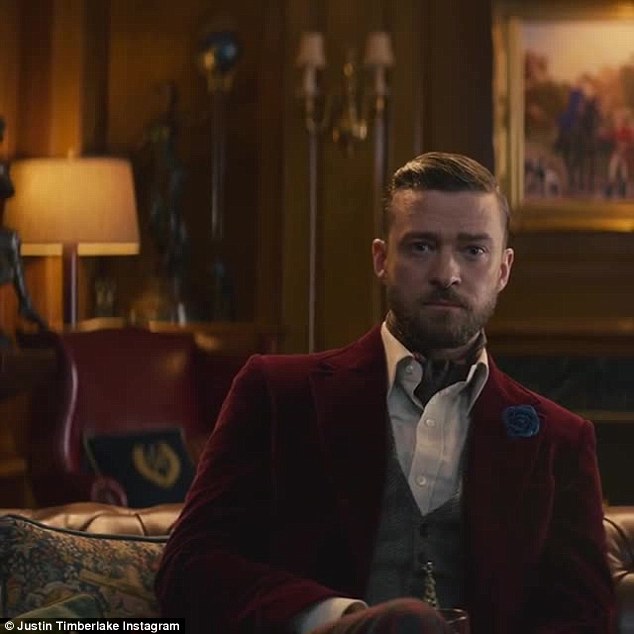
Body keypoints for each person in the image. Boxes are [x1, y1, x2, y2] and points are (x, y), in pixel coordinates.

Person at [156, 152, 614, 633]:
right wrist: (343, 620)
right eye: (421, 247)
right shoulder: (277, 394)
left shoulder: (559, 438)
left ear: (503, 269)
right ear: (381, 259)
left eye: (473, 250)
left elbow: (584, 617)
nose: (446, 273)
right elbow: (191, 565)